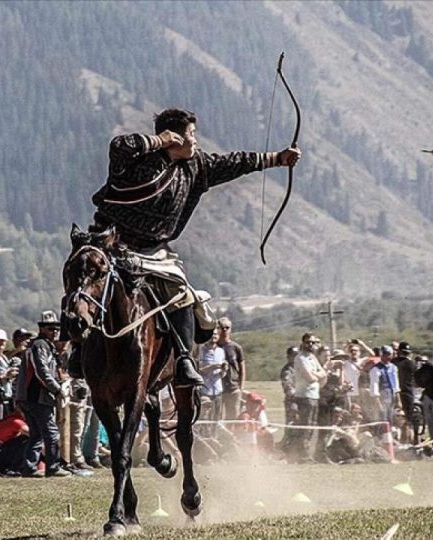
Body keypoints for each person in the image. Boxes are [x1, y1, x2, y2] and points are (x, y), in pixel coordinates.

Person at [87, 108, 301, 388]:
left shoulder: (196, 166)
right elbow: (120, 145)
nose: (195, 141)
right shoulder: (135, 160)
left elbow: (234, 162)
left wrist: (278, 159)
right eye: (190, 135)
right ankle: (80, 351)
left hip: (155, 250)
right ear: (174, 136)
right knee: (85, 283)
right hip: (113, 243)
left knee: (182, 296)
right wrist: (161, 141)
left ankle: (184, 360)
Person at [14, 310, 71, 478]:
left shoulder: (40, 345)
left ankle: (29, 467)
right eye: (50, 328)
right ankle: (53, 466)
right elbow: (42, 371)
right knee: (51, 432)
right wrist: (57, 389)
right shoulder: (40, 345)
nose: (54, 331)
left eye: (56, 329)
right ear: (42, 329)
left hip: (29, 396)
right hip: (36, 396)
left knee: (36, 434)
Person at [290, 333, 326, 462]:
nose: (310, 344)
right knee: (305, 425)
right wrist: (316, 376)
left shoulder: (312, 357)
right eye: (308, 342)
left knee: (312, 425)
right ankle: (302, 454)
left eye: (312, 342)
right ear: (303, 343)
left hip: (314, 395)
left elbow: (323, 372)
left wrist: (315, 375)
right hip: (304, 396)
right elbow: (309, 377)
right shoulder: (300, 358)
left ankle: (307, 453)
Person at [0, 411, 31, 475]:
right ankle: (14, 468)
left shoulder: (8, 419)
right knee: (27, 440)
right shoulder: (16, 421)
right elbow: (34, 436)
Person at [216, 317, 246, 423]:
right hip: (217, 388)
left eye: (227, 328)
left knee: (233, 416)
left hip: (233, 388)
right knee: (217, 416)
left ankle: (233, 438)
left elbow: (242, 369)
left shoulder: (236, 347)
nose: (224, 330)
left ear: (230, 329)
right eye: (221, 327)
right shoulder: (213, 347)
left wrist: (241, 388)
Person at [198, 332, 226, 435]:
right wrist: (212, 367)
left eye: (215, 334)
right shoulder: (201, 350)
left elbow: (223, 373)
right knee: (204, 417)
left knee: (216, 417)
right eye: (211, 334)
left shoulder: (221, 351)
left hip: (218, 389)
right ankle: (203, 438)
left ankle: (214, 437)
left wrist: (224, 370)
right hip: (205, 390)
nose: (213, 336)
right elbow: (198, 370)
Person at [369, 345, 401, 430]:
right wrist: (377, 401)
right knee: (383, 418)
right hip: (382, 395)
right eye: (385, 354)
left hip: (391, 395)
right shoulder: (376, 369)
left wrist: (398, 399)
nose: (387, 356)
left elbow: (396, 385)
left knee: (390, 417)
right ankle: (381, 438)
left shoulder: (394, 368)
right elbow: (374, 386)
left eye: (389, 354)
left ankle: (390, 436)